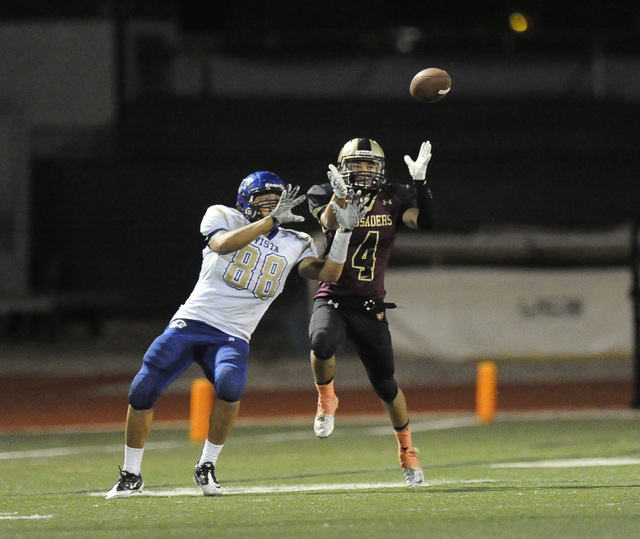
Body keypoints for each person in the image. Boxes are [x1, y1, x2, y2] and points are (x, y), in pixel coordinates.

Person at [106, 171, 368, 499]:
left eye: (277, 202)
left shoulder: (296, 241)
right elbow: (221, 244)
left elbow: (328, 273)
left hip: (233, 334)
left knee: (230, 384)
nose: (271, 207)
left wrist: (343, 232)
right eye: (263, 201)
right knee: (143, 386)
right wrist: (270, 221)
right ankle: (131, 473)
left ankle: (206, 466)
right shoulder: (222, 216)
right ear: (245, 202)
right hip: (193, 320)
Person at [306, 138, 435, 487]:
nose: (363, 171)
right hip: (333, 296)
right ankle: (326, 398)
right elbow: (328, 220)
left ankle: (407, 451)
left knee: (386, 385)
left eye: (369, 164)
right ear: (342, 166)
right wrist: (340, 197)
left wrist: (421, 184)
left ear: (380, 169)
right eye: (356, 164)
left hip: (370, 305)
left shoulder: (393, 197)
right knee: (320, 341)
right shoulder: (323, 192)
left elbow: (427, 221)